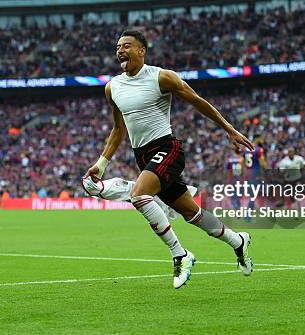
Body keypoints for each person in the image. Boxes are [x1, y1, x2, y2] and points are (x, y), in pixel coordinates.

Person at [85, 29, 254, 289]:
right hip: (142, 156)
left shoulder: (161, 77)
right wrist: (101, 164)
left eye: (127, 45)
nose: (120, 50)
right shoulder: (112, 87)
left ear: (142, 50)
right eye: (118, 46)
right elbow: (118, 130)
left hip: (167, 147)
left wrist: (229, 130)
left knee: (140, 195)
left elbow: (198, 101)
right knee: (192, 214)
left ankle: (181, 255)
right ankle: (238, 241)